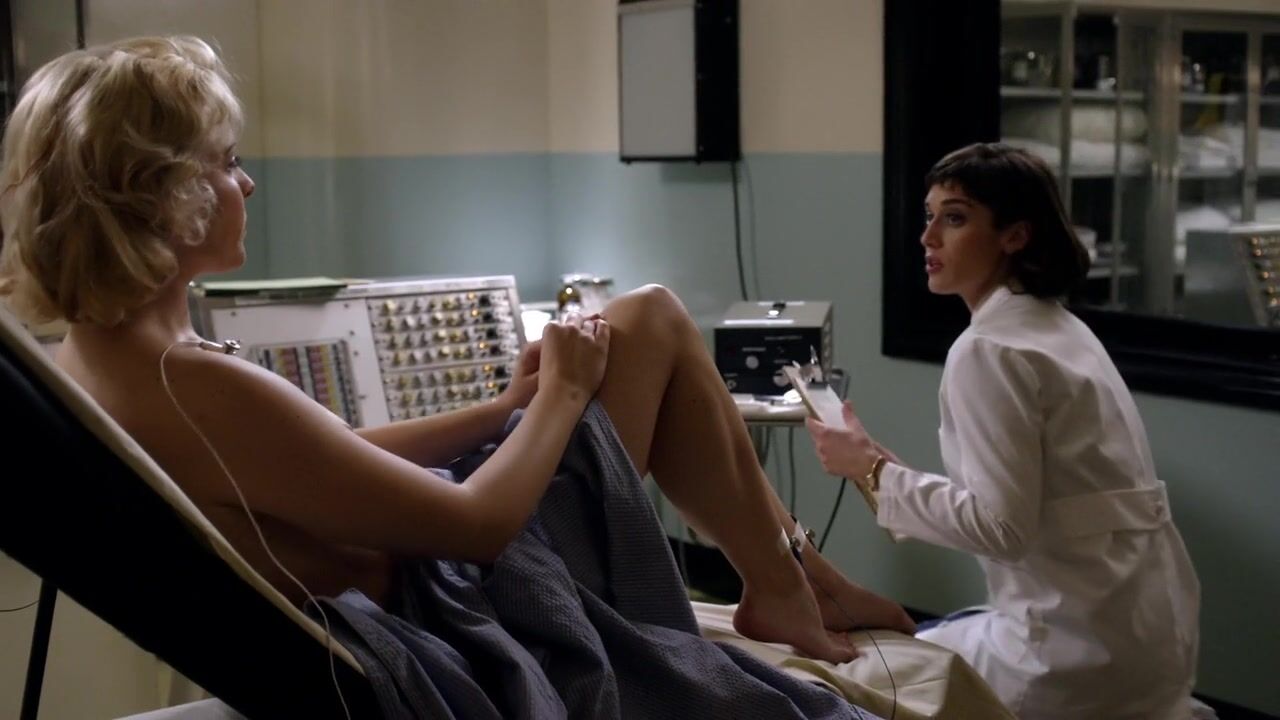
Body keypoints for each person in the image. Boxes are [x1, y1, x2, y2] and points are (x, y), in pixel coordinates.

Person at [0, 36, 914, 717]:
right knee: (652, 321)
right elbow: (477, 528)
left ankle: (789, 579)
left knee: (646, 323)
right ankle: (789, 583)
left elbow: (328, 458)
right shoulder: (192, 384)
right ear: (165, 195)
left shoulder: (100, 363)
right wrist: (561, 393)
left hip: (427, 569)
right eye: (228, 164)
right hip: (460, 602)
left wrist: (505, 406)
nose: (248, 186)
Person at [806, 142, 1201, 719]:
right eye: (928, 216)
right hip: (1153, 640)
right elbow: (1035, 503)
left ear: (1015, 236)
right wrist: (874, 466)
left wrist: (870, 469)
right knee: (937, 631)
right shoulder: (1060, 329)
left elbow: (1002, 529)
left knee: (834, 678)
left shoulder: (988, 350)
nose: (928, 237)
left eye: (954, 218)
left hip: (1070, 659)